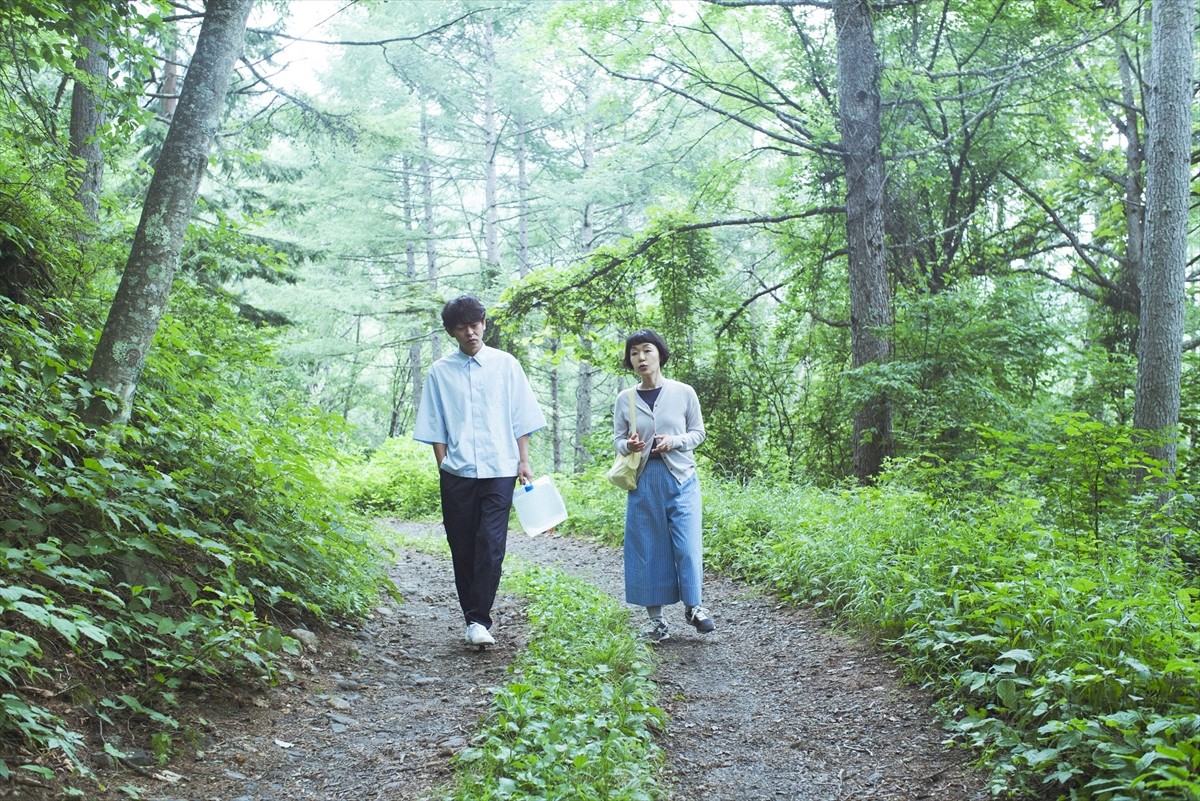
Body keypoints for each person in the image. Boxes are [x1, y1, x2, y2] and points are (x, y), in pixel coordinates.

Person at [414, 296, 546, 647]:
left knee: (490, 543)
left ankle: (478, 620)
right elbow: (434, 425)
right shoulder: (440, 372)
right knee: (462, 545)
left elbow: (521, 417)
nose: (470, 332)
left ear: (484, 324)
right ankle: (471, 616)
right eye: (461, 327)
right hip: (457, 472)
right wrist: (443, 466)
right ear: (451, 332)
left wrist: (523, 460)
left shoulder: (506, 365)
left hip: (500, 467)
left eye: (475, 324)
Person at [613, 329, 714, 642]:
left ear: (660, 354)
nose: (641, 358)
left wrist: (675, 441)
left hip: (681, 478)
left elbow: (698, 433)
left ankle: (694, 607)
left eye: (647, 351)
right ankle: (656, 622)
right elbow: (617, 439)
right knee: (646, 549)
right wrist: (628, 445)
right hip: (643, 482)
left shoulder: (683, 392)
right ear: (630, 361)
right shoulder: (625, 398)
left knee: (686, 545)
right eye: (634, 353)